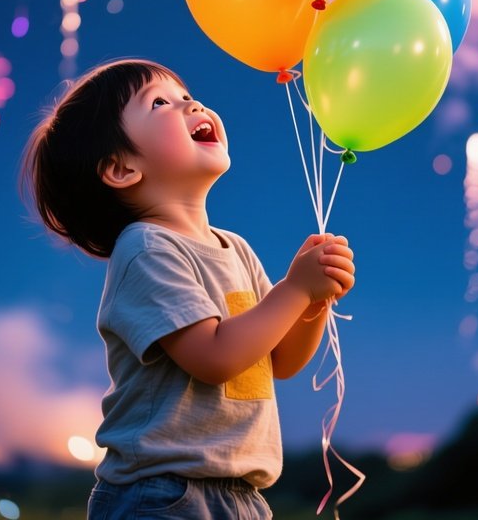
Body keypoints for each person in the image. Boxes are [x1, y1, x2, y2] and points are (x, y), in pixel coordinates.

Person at [19, 58, 356, 519]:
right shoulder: (145, 249)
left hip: (240, 495)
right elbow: (216, 357)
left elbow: (281, 360)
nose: (190, 103)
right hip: (162, 494)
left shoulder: (234, 249)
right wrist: (295, 290)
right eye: (160, 103)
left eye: (185, 95)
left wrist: (315, 298)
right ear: (121, 168)